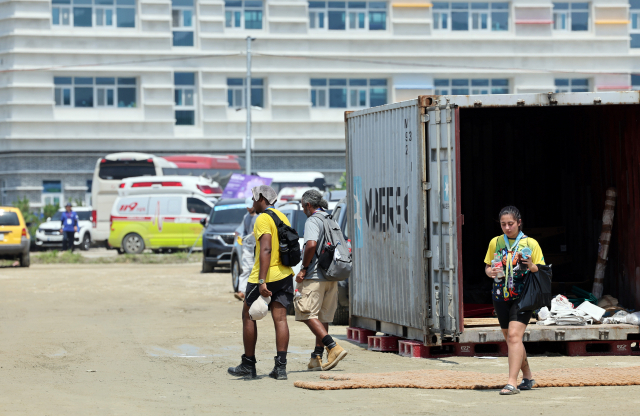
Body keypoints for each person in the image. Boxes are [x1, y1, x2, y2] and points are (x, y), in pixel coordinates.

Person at [228, 185, 294, 380]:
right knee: (280, 319)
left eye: (254, 199)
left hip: (264, 275)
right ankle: (280, 368)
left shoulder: (262, 218)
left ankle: (248, 364)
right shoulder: (282, 217)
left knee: (248, 315)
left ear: (262, 198)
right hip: (284, 274)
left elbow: (266, 249)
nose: (253, 203)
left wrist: (262, 281)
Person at [484, 206, 545, 395]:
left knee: (513, 337)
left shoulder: (531, 243)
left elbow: (542, 271)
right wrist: (490, 272)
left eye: (510, 224)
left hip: (523, 296)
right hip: (500, 295)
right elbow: (487, 267)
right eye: (503, 224)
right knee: (511, 340)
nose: (507, 228)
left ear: (519, 223)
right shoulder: (496, 242)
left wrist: (532, 265)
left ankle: (512, 383)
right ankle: (527, 376)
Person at [294, 189, 348, 371]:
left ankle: (333, 347)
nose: (303, 210)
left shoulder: (313, 220)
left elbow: (311, 245)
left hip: (315, 276)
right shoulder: (330, 218)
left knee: (306, 312)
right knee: (322, 317)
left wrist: (303, 268)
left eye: (303, 207)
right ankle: (316, 357)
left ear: (309, 205)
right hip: (331, 276)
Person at [235, 197, 257, 301]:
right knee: (246, 269)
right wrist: (241, 237)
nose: (248, 209)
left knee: (254, 270)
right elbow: (243, 231)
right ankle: (241, 292)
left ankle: (253, 293)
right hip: (247, 247)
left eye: (250, 207)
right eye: (247, 207)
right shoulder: (246, 217)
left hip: (258, 248)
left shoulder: (260, 217)